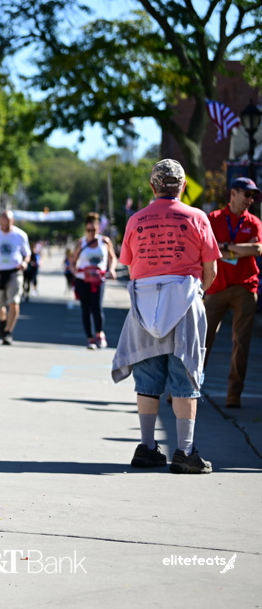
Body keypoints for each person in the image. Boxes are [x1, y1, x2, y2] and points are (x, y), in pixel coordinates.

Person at [111, 159, 220, 474]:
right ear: (183, 186)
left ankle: (147, 447)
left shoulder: (136, 220)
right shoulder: (197, 217)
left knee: (147, 376)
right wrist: (195, 294)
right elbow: (211, 270)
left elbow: (129, 264)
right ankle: (184, 451)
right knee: (185, 376)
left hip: (145, 303)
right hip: (184, 300)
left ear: (152, 186)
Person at [203, 177, 262, 408]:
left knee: (241, 343)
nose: (250, 199)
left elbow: (257, 249)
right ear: (234, 193)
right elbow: (207, 248)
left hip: (245, 288)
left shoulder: (254, 222)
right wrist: (239, 249)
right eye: (247, 194)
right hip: (216, 287)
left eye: (253, 196)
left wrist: (225, 247)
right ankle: (185, 389)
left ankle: (233, 395)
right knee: (201, 340)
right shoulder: (214, 218)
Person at [0, 210, 31, 345]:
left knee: (14, 302)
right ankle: (3, 321)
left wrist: (25, 262)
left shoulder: (20, 235)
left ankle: (8, 332)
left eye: (8, 222)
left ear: (12, 221)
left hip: (15, 272)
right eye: (3, 223)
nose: (5, 225)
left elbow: (27, 254)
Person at [69, 212, 118, 349]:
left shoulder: (105, 241)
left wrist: (112, 269)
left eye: (94, 230)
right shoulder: (81, 243)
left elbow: (112, 258)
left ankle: (99, 334)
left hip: (98, 279)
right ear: (85, 228)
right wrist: (74, 270)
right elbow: (72, 261)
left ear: (98, 228)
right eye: (89, 230)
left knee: (96, 307)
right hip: (83, 279)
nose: (91, 232)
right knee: (85, 308)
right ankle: (90, 338)